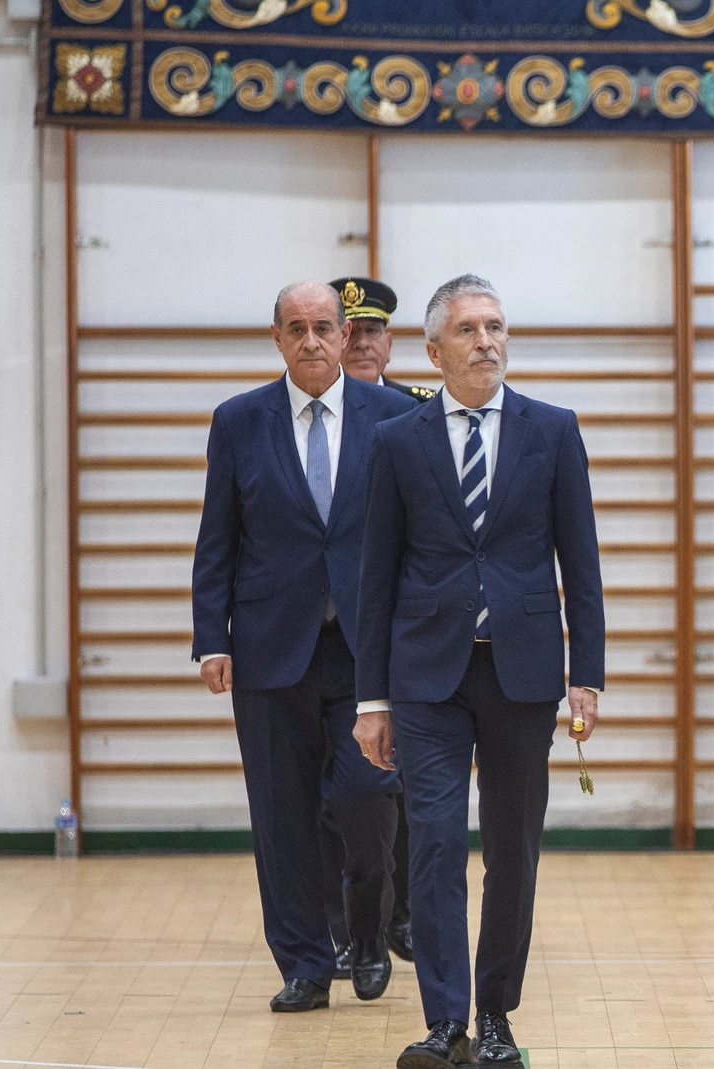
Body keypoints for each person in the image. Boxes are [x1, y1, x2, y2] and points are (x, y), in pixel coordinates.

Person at [353, 274, 605, 1068]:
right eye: (467, 329)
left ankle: (494, 1013)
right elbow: (375, 575)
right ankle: (444, 1020)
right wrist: (371, 697)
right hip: (426, 678)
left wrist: (587, 675)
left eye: (495, 325)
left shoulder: (553, 430)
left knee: (511, 851)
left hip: (523, 677)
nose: (486, 340)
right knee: (431, 846)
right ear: (433, 349)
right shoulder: (399, 440)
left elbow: (582, 563)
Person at [190, 281, 418, 1011]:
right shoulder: (238, 420)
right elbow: (217, 536)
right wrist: (209, 637)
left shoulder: (394, 415)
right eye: (298, 328)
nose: (313, 340)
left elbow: (419, 538)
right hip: (268, 645)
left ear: (346, 334)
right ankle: (304, 965)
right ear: (277, 336)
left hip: (366, 649)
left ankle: (371, 933)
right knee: (280, 812)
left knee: (366, 796)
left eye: (325, 326)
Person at [322, 274, 419, 973]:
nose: (360, 342)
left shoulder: (418, 414)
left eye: (372, 331)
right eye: (348, 329)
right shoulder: (307, 417)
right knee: (336, 790)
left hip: (402, 630)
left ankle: (403, 914)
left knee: (406, 783)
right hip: (324, 631)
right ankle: (343, 919)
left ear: (390, 343)